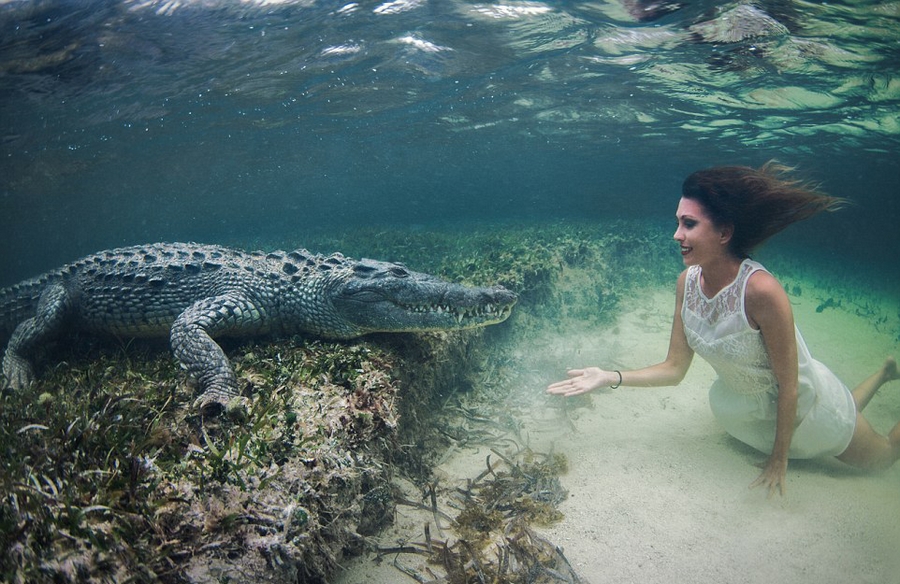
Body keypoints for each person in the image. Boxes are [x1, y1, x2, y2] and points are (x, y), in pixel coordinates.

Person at [547, 162, 900, 497]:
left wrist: (780, 460)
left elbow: (790, 387)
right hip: (750, 413)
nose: (676, 234)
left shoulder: (762, 291)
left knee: (882, 458)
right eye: (677, 222)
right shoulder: (686, 282)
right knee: (847, 411)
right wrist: (609, 376)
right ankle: (885, 372)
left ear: (724, 232)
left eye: (688, 224)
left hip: (804, 409)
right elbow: (674, 370)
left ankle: (880, 380)